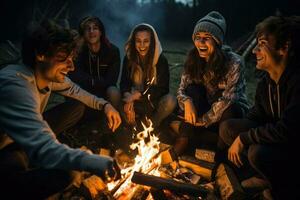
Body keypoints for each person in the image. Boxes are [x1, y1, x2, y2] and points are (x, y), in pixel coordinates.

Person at [0, 20, 121, 199]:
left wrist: (106, 105)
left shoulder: (45, 75)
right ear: (40, 54)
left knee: (76, 106)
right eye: (64, 57)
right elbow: (42, 144)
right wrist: (90, 160)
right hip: (5, 148)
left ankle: (32, 159)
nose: (71, 66)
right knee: (69, 173)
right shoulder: (16, 86)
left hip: (21, 139)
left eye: (72, 58)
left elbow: (78, 92)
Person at [218, 16, 300, 199]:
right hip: (278, 141)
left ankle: (280, 190)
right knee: (228, 128)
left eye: (262, 44)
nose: (255, 50)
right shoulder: (266, 83)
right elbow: (256, 116)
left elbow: (287, 130)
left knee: (256, 152)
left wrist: (244, 138)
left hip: (293, 148)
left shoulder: (297, 82)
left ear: (284, 48)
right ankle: (263, 176)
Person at [171, 11, 248, 155]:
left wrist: (205, 120)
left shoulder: (234, 62)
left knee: (231, 108)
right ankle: (184, 142)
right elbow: (181, 90)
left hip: (228, 115)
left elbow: (228, 99)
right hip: (204, 111)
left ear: (217, 41)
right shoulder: (193, 60)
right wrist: (187, 102)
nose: (201, 43)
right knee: (193, 89)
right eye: (198, 38)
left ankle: (220, 154)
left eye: (207, 38)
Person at [120, 23, 176, 130]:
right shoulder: (129, 58)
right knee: (113, 94)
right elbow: (124, 83)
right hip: (133, 103)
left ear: (152, 42)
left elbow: (163, 89)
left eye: (146, 41)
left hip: (152, 103)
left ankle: (149, 128)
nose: (142, 45)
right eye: (138, 41)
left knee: (170, 100)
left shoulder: (160, 60)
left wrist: (140, 95)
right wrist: (129, 98)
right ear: (133, 42)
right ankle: (130, 125)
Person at [70, 16, 121, 108]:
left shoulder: (112, 51)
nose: (91, 31)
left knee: (114, 91)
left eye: (95, 28)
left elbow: (111, 80)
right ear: (83, 34)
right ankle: (77, 119)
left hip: (104, 90)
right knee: (73, 87)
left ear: (101, 32)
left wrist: (92, 81)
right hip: (84, 90)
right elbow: (75, 75)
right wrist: (94, 81)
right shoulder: (79, 51)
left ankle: (112, 119)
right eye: (87, 29)